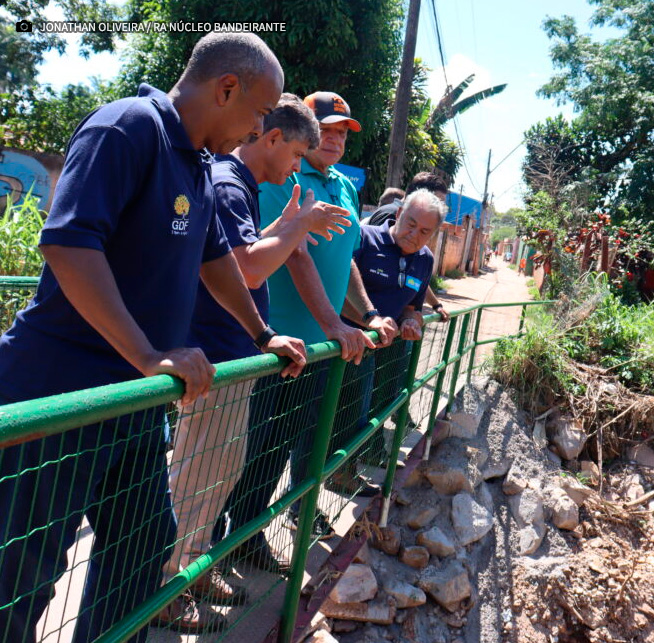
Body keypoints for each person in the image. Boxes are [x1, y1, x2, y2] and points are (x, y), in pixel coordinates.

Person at [0, 33, 310, 641]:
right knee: (22, 576)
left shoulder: (196, 163)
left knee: (146, 549)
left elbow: (215, 259)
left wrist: (262, 333)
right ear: (226, 89)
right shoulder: (128, 127)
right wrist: (148, 354)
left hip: (135, 399)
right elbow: (68, 243)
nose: (255, 131)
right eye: (255, 114)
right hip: (65, 392)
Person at [160, 94, 351, 620]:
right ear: (272, 139)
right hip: (214, 357)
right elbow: (244, 270)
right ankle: (167, 584)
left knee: (218, 470)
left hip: (228, 355)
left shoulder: (240, 186)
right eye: (294, 155)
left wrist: (287, 229)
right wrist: (296, 229)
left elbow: (239, 255)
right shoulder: (227, 183)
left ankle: (191, 568)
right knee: (200, 473)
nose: (295, 167)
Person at [220, 91, 397, 572]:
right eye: (329, 130)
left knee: (287, 445)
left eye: (343, 132)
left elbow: (346, 260)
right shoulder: (286, 175)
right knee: (251, 451)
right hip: (279, 342)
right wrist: (333, 323)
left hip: (319, 345)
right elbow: (293, 252)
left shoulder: (343, 185)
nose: (336, 139)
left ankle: (251, 533)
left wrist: (367, 314)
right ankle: (229, 542)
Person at [342, 189, 446, 440]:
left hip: (381, 351)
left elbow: (414, 307)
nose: (414, 235)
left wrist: (411, 321)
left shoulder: (425, 260)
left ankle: (350, 472)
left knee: (366, 415)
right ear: (399, 213)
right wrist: (371, 321)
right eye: (411, 224)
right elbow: (336, 293)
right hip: (340, 347)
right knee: (331, 422)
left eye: (424, 232)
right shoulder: (364, 239)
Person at [364, 171, 451, 321]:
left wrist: (413, 315)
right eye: (438, 200)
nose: (438, 206)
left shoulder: (424, 257)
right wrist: (371, 319)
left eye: (424, 231)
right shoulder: (382, 222)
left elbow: (413, 280)